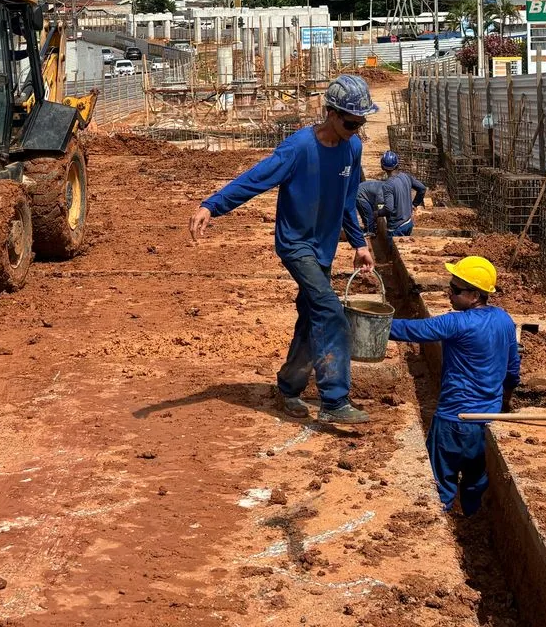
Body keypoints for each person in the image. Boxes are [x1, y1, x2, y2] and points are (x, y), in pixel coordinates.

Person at [189, 74, 379, 426]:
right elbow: (254, 179)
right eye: (351, 122)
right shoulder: (298, 148)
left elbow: (348, 200)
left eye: (361, 121)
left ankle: (289, 387)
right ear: (330, 113)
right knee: (330, 311)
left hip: (322, 248)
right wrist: (212, 205)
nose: (356, 128)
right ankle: (334, 399)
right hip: (295, 245)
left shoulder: (352, 148)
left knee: (312, 317)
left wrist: (359, 242)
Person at [388, 255, 519, 514]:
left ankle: (441, 516)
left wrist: (364, 320)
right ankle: (471, 517)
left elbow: (410, 330)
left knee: (439, 480)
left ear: (475, 295)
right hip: (485, 421)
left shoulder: (456, 323)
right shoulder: (504, 320)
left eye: (456, 290)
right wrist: (505, 401)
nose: (449, 293)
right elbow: (512, 369)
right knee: (475, 480)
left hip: (452, 421)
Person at [355, 150, 426, 238]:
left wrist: (377, 213)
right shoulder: (406, 176)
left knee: (391, 250)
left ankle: (370, 231)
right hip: (408, 223)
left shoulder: (388, 185)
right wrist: (414, 204)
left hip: (396, 228)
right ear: (397, 164)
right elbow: (422, 188)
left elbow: (388, 209)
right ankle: (371, 229)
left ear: (382, 167)